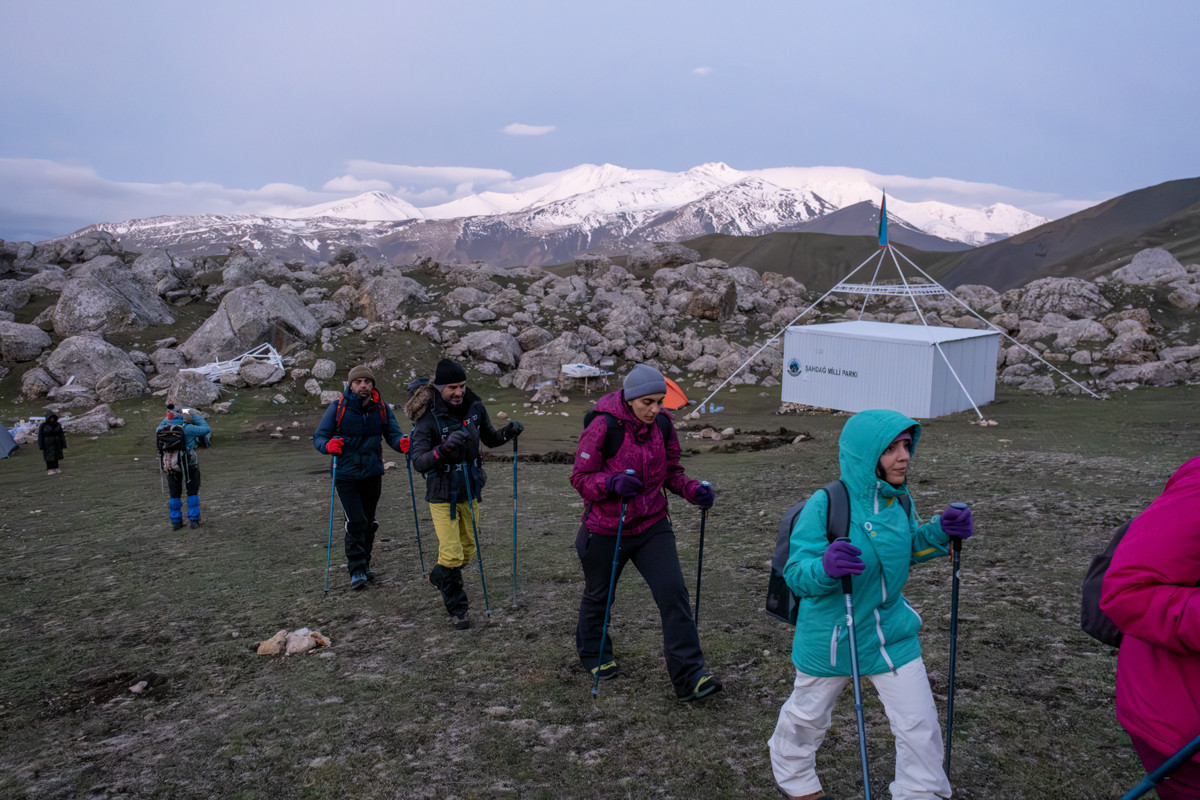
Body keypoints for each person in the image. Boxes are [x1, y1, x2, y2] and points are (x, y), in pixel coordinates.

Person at [768, 408, 973, 800]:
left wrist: (941, 531)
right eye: (890, 449)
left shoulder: (899, 502)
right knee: (807, 719)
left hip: (890, 631)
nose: (903, 457)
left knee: (920, 725)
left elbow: (908, 548)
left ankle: (921, 792)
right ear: (866, 456)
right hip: (832, 632)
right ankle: (794, 778)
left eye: (906, 446)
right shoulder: (827, 503)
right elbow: (796, 573)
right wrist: (826, 567)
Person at [569, 363, 720, 701]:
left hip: (653, 524)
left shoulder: (663, 426)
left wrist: (693, 490)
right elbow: (580, 478)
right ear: (630, 398)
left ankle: (690, 676)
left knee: (673, 593)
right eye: (648, 402)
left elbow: (671, 472)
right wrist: (611, 483)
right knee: (599, 596)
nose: (655, 409)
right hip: (606, 528)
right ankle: (595, 654)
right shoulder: (602, 426)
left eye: (660, 402)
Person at [1101, 457, 1200, 800]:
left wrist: (940, 531)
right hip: (1181, 722)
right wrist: (935, 535)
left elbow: (920, 541)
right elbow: (1127, 592)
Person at [405, 359, 522, 629]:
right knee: (452, 555)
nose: (458, 392)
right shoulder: (428, 417)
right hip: (441, 493)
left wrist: (507, 433)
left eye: (462, 386)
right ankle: (459, 609)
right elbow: (419, 461)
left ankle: (437, 577)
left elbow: (490, 438)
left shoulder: (474, 407)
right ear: (440, 387)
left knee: (468, 551)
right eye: (452, 388)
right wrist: (444, 448)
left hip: (470, 488)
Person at [313, 365, 408, 590]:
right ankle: (356, 569)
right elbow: (319, 437)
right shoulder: (338, 408)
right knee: (356, 521)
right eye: (358, 382)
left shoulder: (382, 408)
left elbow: (393, 435)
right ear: (351, 385)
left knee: (369, 522)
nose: (363, 385)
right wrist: (328, 446)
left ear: (372, 385)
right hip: (345, 476)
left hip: (372, 473)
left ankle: (365, 565)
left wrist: (402, 443)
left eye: (367, 381)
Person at [157, 404, 212, 531]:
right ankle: (194, 521)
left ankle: (176, 522)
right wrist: (193, 415)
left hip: (170, 463)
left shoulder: (161, 428)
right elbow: (206, 429)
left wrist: (170, 415)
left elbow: (165, 422)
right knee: (192, 491)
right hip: (189, 463)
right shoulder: (187, 428)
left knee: (174, 493)